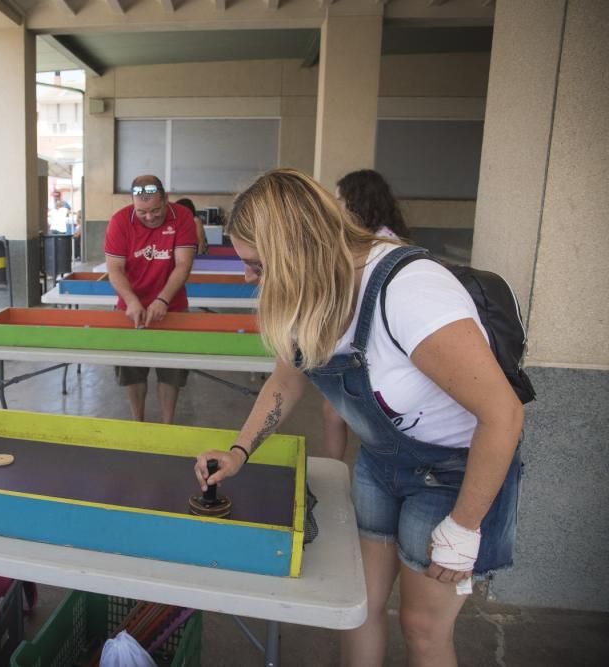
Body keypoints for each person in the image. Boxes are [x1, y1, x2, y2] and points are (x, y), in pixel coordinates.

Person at [194, 169, 522, 667]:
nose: (248, 279)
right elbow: (286, 380)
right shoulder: (309, 294)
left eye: (258, 266)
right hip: (379, 462)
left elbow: (503, 414)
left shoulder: (410, 290)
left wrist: (465, 526)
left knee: (422, 627)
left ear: (296, 253)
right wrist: (239, 452)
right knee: (356, 608)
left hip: (455, 473)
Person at [322, 169, 412, 459]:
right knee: (334, 411)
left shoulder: (386, 245)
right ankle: (337, 469)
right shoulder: (363, 241)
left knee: (342, 413)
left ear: (358, 202)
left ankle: (348, 469)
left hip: (380, 347)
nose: (336, 206)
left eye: (340, 199)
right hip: (360, 344)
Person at [105, 175, 198, 424]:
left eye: (155, 210)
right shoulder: (120, 221)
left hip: (173, 308)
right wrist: (132, 300)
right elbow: (114, 269)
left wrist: (163, 300)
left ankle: (167, 424)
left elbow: (183, 265)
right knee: (132, 373)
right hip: (130, 310)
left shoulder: (183, 218)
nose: (149, 217)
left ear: (166, 199)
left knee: (171, 374)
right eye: (142, 211)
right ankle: (138, 423)